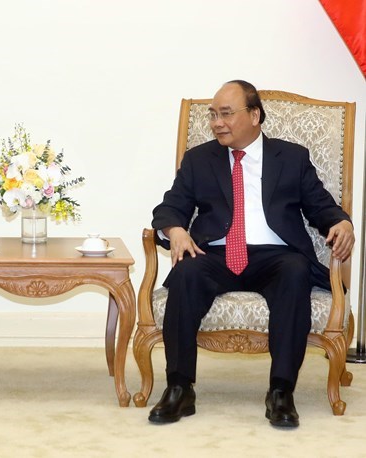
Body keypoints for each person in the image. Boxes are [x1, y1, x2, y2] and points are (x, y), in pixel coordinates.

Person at [148, 80, 354, 428]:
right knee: (186, 272)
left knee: (295, 272)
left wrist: (342, 222)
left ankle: (280, 391)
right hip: (215, 252)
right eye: (213, 115)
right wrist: (176, 230)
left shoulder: (291, 157)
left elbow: (321, 207)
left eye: (226, 114)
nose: (216, 123)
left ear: (255, 115)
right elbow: (169, 208)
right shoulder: (199, 159)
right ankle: (179, 388)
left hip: (276, 256)